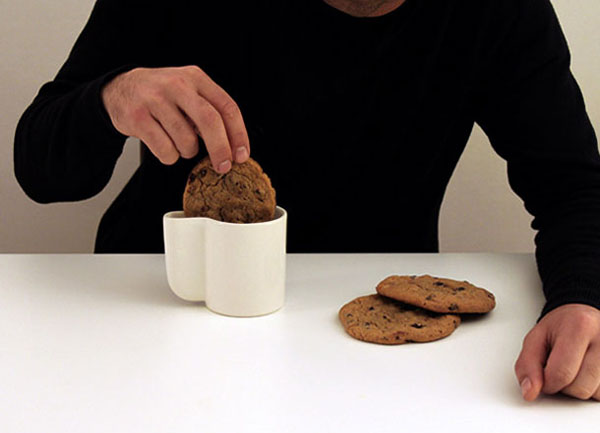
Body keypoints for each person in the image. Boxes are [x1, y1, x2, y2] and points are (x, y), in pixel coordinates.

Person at [14, 0, 600, 402]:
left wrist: (582, 297)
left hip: (375, 354)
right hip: (160, 318)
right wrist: (110, 98)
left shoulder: (500, 12)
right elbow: (40, 170)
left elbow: (573, 186)